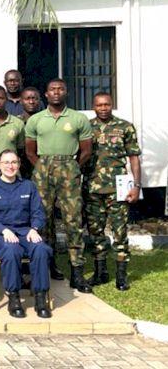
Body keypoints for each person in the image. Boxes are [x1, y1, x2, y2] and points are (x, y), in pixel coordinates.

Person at [25, 78, 93, 291]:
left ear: (66, 92)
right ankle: (48, 265)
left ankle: (77, 272)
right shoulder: (36, 119)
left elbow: (86, 150)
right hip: (43, 169)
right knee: (43, 220)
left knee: (73, 219)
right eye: (52, 89)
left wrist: (71, 168)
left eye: (60, 89)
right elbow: (29, 151)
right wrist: (42, 168)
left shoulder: (78, 118)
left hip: (69, 168)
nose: (56, 92)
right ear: (46, 94)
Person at [0, 150, 53, 319]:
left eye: (14, 162)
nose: (10, 166)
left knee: (41, 249)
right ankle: (14, 298)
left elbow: (38, 213)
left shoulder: (28, 186)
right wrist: (4, 230)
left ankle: (40, 298)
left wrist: (34, 228)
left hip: (25, 232)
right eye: (6, 162)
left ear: (19, 165)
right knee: (12, 250)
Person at [83, 92, 142, 291]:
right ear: (93, 106)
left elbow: (134, 157)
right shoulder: (86, 127)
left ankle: (121, 276)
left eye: (107, 104)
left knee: (120, 232)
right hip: (92, 188)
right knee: (95, 232)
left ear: (112, 105)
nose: (103, 108)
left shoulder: (125, 127)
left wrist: (136, 186)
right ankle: (100, 272)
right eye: (99, 105)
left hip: (119, 189)